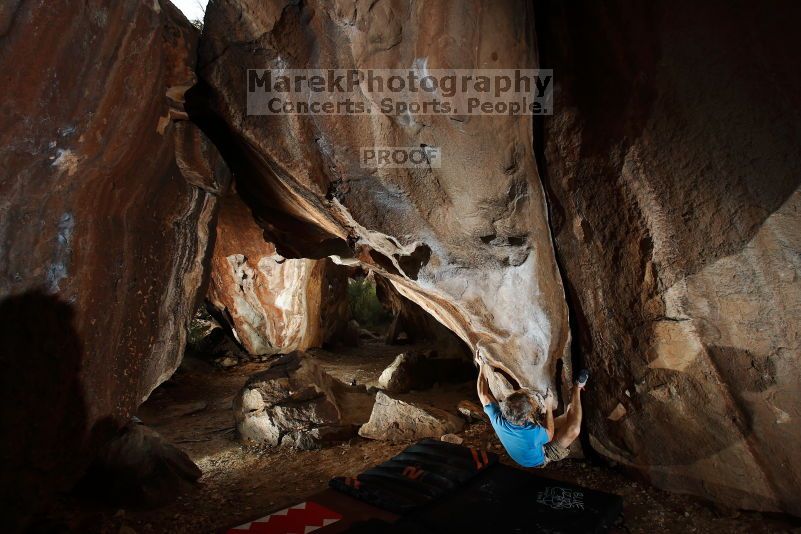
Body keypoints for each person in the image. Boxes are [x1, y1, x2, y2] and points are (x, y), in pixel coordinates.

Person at [476, 351, 589, 468]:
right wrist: (549, 406)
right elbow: (549, 435)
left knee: (563, 419)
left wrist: (482, 365)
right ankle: (577, 388)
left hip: (525, 448)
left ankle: (568, 415)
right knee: (574, 429)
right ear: (526, 418)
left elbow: (482, 394)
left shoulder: (497, 419)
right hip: (539, 458)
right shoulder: (531, 432)